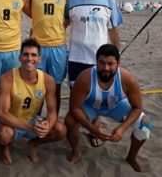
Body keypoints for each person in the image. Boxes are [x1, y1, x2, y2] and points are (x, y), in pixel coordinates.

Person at [65, 44, 152, 172]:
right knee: (70, 121)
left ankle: (131, 157)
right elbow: (75, 107)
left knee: (145, 125)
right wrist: (91, 128)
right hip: (91, 106)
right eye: (102, 63)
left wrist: (122, 128)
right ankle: (76, 151)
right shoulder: (85, 78)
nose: (106, 68)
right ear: (96, 62)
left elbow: (137, 108)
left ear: (118, 63)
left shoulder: (128, 79)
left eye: (110, 63)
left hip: (116, 106)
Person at [65, 0, 123, 146]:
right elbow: (62, 25)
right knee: (77, 98)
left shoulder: (109, 0)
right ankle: (77, 131)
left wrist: (117, 58)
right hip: (76, 58)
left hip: (100, 61)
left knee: (98, 97)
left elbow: (113, 31)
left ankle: (95, 127)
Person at [0, 38, 67, 165]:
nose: (29, 59)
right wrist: (31, 128)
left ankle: (33, 144)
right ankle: (4, 149)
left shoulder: (48, 80)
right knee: (4, 134)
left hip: (32, 120)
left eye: (33, 55)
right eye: (26, 54)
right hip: (11, 121)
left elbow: (52, 112)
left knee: (60, 129)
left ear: (39, 59)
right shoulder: (7, 78)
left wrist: (47, 126)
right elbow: (2, 114)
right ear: (20, 57)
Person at [24, 0, 70, 114]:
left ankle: (53, 120)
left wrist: (66, 21)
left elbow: (69, 13)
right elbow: (18, 2)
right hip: (39, 47)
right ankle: (35, 118)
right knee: (37, 86)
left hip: (58, 47)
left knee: (55, 87)